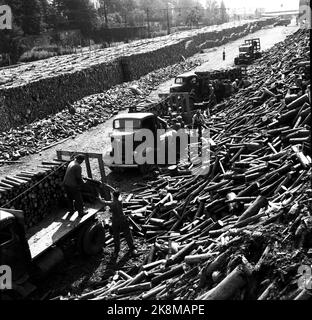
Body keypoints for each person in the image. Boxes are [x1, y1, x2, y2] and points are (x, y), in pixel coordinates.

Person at [102, 190, 138, 258]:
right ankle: (132, 248)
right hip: (123, 219)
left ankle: (116, 251)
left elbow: (103, 202)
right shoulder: (120, 201)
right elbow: (119, 196)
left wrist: (98, 198)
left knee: (116, 236)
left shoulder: (111, 203)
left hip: (115, 221)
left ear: (113, 196)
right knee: (127, 234)